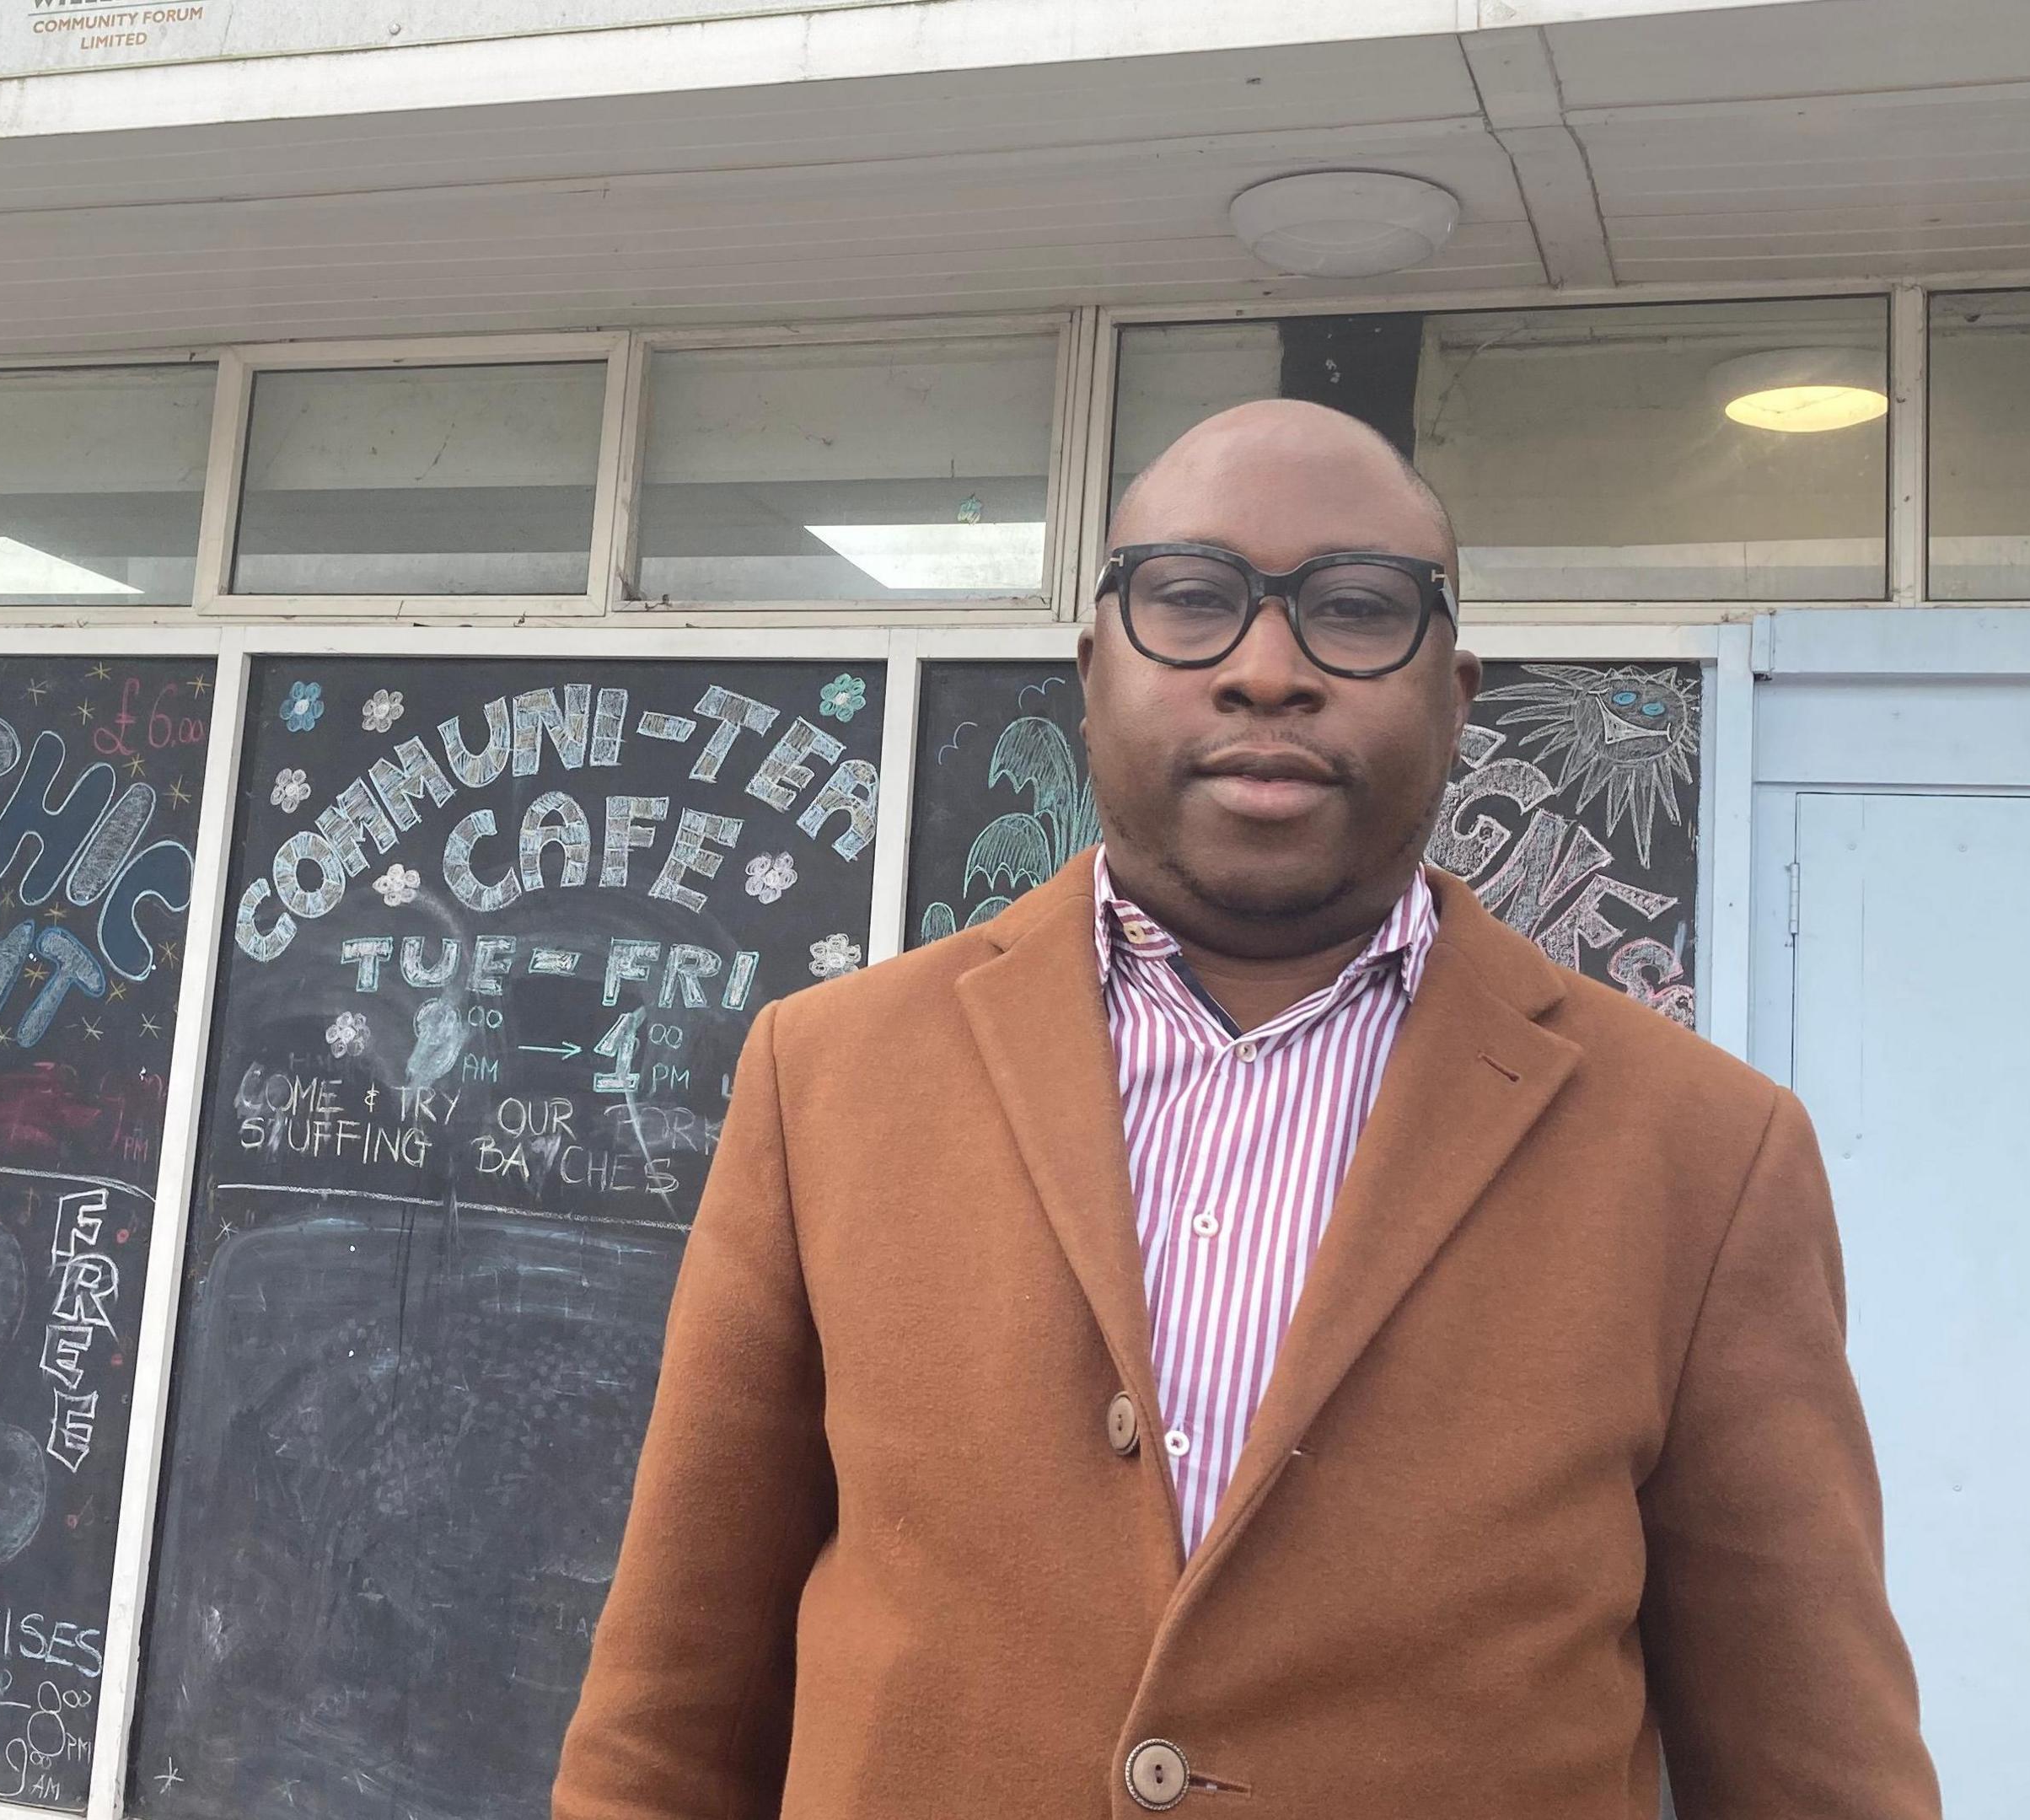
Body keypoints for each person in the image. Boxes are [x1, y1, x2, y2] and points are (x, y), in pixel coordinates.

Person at [551, 400, 1937, 1819]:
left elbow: (1813, 1769)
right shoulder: (829, 1076)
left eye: (1353, 610)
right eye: (1194, 602)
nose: (1268, 671)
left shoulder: (1705, 1154)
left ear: (1458, 695)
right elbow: (669, 1717)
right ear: (1092, 672)